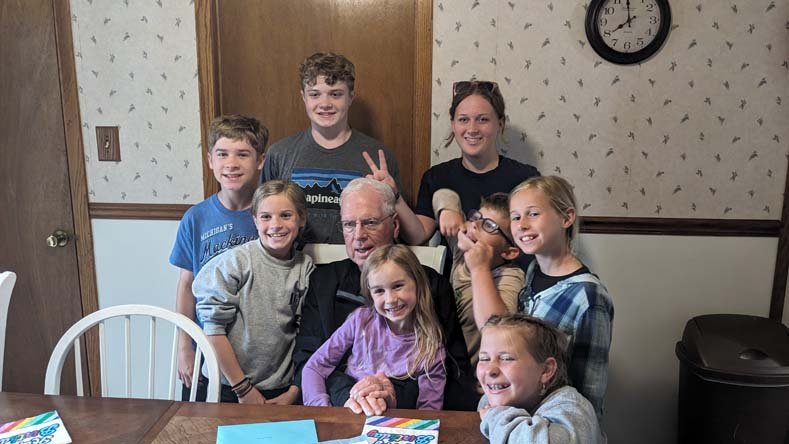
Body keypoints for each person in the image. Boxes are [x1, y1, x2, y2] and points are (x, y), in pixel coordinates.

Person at [293, 178, 477, 413]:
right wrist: (350, 397)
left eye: (370, 222)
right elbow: (307, 363)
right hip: (340, 408)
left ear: (395, 225)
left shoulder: (431, 285)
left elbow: (454, 375)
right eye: (349, 225)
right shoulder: (324, 281)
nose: (358, 235)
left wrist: (394, 395)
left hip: (403, 415)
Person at [466, 175, 613, 421]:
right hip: (515, 419)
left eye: (533, 214)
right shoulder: (532, 272)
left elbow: (590, 387)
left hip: (555, 425)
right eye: (515, 217)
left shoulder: (589, 296)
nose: (521, 225)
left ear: (566, 218)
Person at [169, 115, 268, 399]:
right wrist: (184, 347)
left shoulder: (271, 217)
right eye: (222, 154)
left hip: (260, 355)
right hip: (206, 352)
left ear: (260, 160)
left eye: (242, 154)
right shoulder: (196, 218)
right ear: (210, 160)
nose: (231, 163)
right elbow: (186, 286)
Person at [263, 52, 407, 244]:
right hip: (295, 260)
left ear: (351, 97)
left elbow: (402, 232)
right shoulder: (279, 154)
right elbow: (262, 221)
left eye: (336, 94)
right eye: (315, 94)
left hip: (357, 259)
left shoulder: (378, 156)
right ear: (303, 97)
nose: (325, 104)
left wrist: (394, 195)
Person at [193, 180, 315, 403]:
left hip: (279, 388)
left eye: (286, 215)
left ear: (302, 219)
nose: (275, 225)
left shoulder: (305, 267)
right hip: (228, 386)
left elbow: (305, 333)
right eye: (266, 217)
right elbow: (213, 330)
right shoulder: (235, 263)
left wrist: (293, 391)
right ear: (255, 220)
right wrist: (243, 389)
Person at [301, 245, 446, 410]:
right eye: (379, 291)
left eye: (398, 286)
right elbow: (315, 367)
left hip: (394, 415)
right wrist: (322, 409)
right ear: (369, 293)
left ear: (418, 283)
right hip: (348, 404)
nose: (390, 299)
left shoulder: (431, 346)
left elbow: (429, 410)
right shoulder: (360, 320)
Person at [402, 80, 540, 250]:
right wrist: (394, 197)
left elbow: (538, 237)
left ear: (500, 123)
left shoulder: (526, 178)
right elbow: (418, 236)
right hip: (456, 267)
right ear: (453, 124)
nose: (472, 129)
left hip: (510, 266)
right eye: (463, 119)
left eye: (483, 119)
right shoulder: (436, 177)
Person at [477, 314, 603, 444]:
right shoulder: (491, 400)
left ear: (546, 370)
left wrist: (496, 416)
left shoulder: (573, 408)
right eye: (484, 359)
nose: (490, 370)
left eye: (506, 358)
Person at [449, 192, 523, 368]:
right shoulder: (461, 252)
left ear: (509, 252)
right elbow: (444, 194)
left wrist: (479, 268)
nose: (475, 225)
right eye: (476, 217)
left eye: (489, 225)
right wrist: (447, 211)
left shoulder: (510, 276)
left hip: (474, 375)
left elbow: (496, 329)